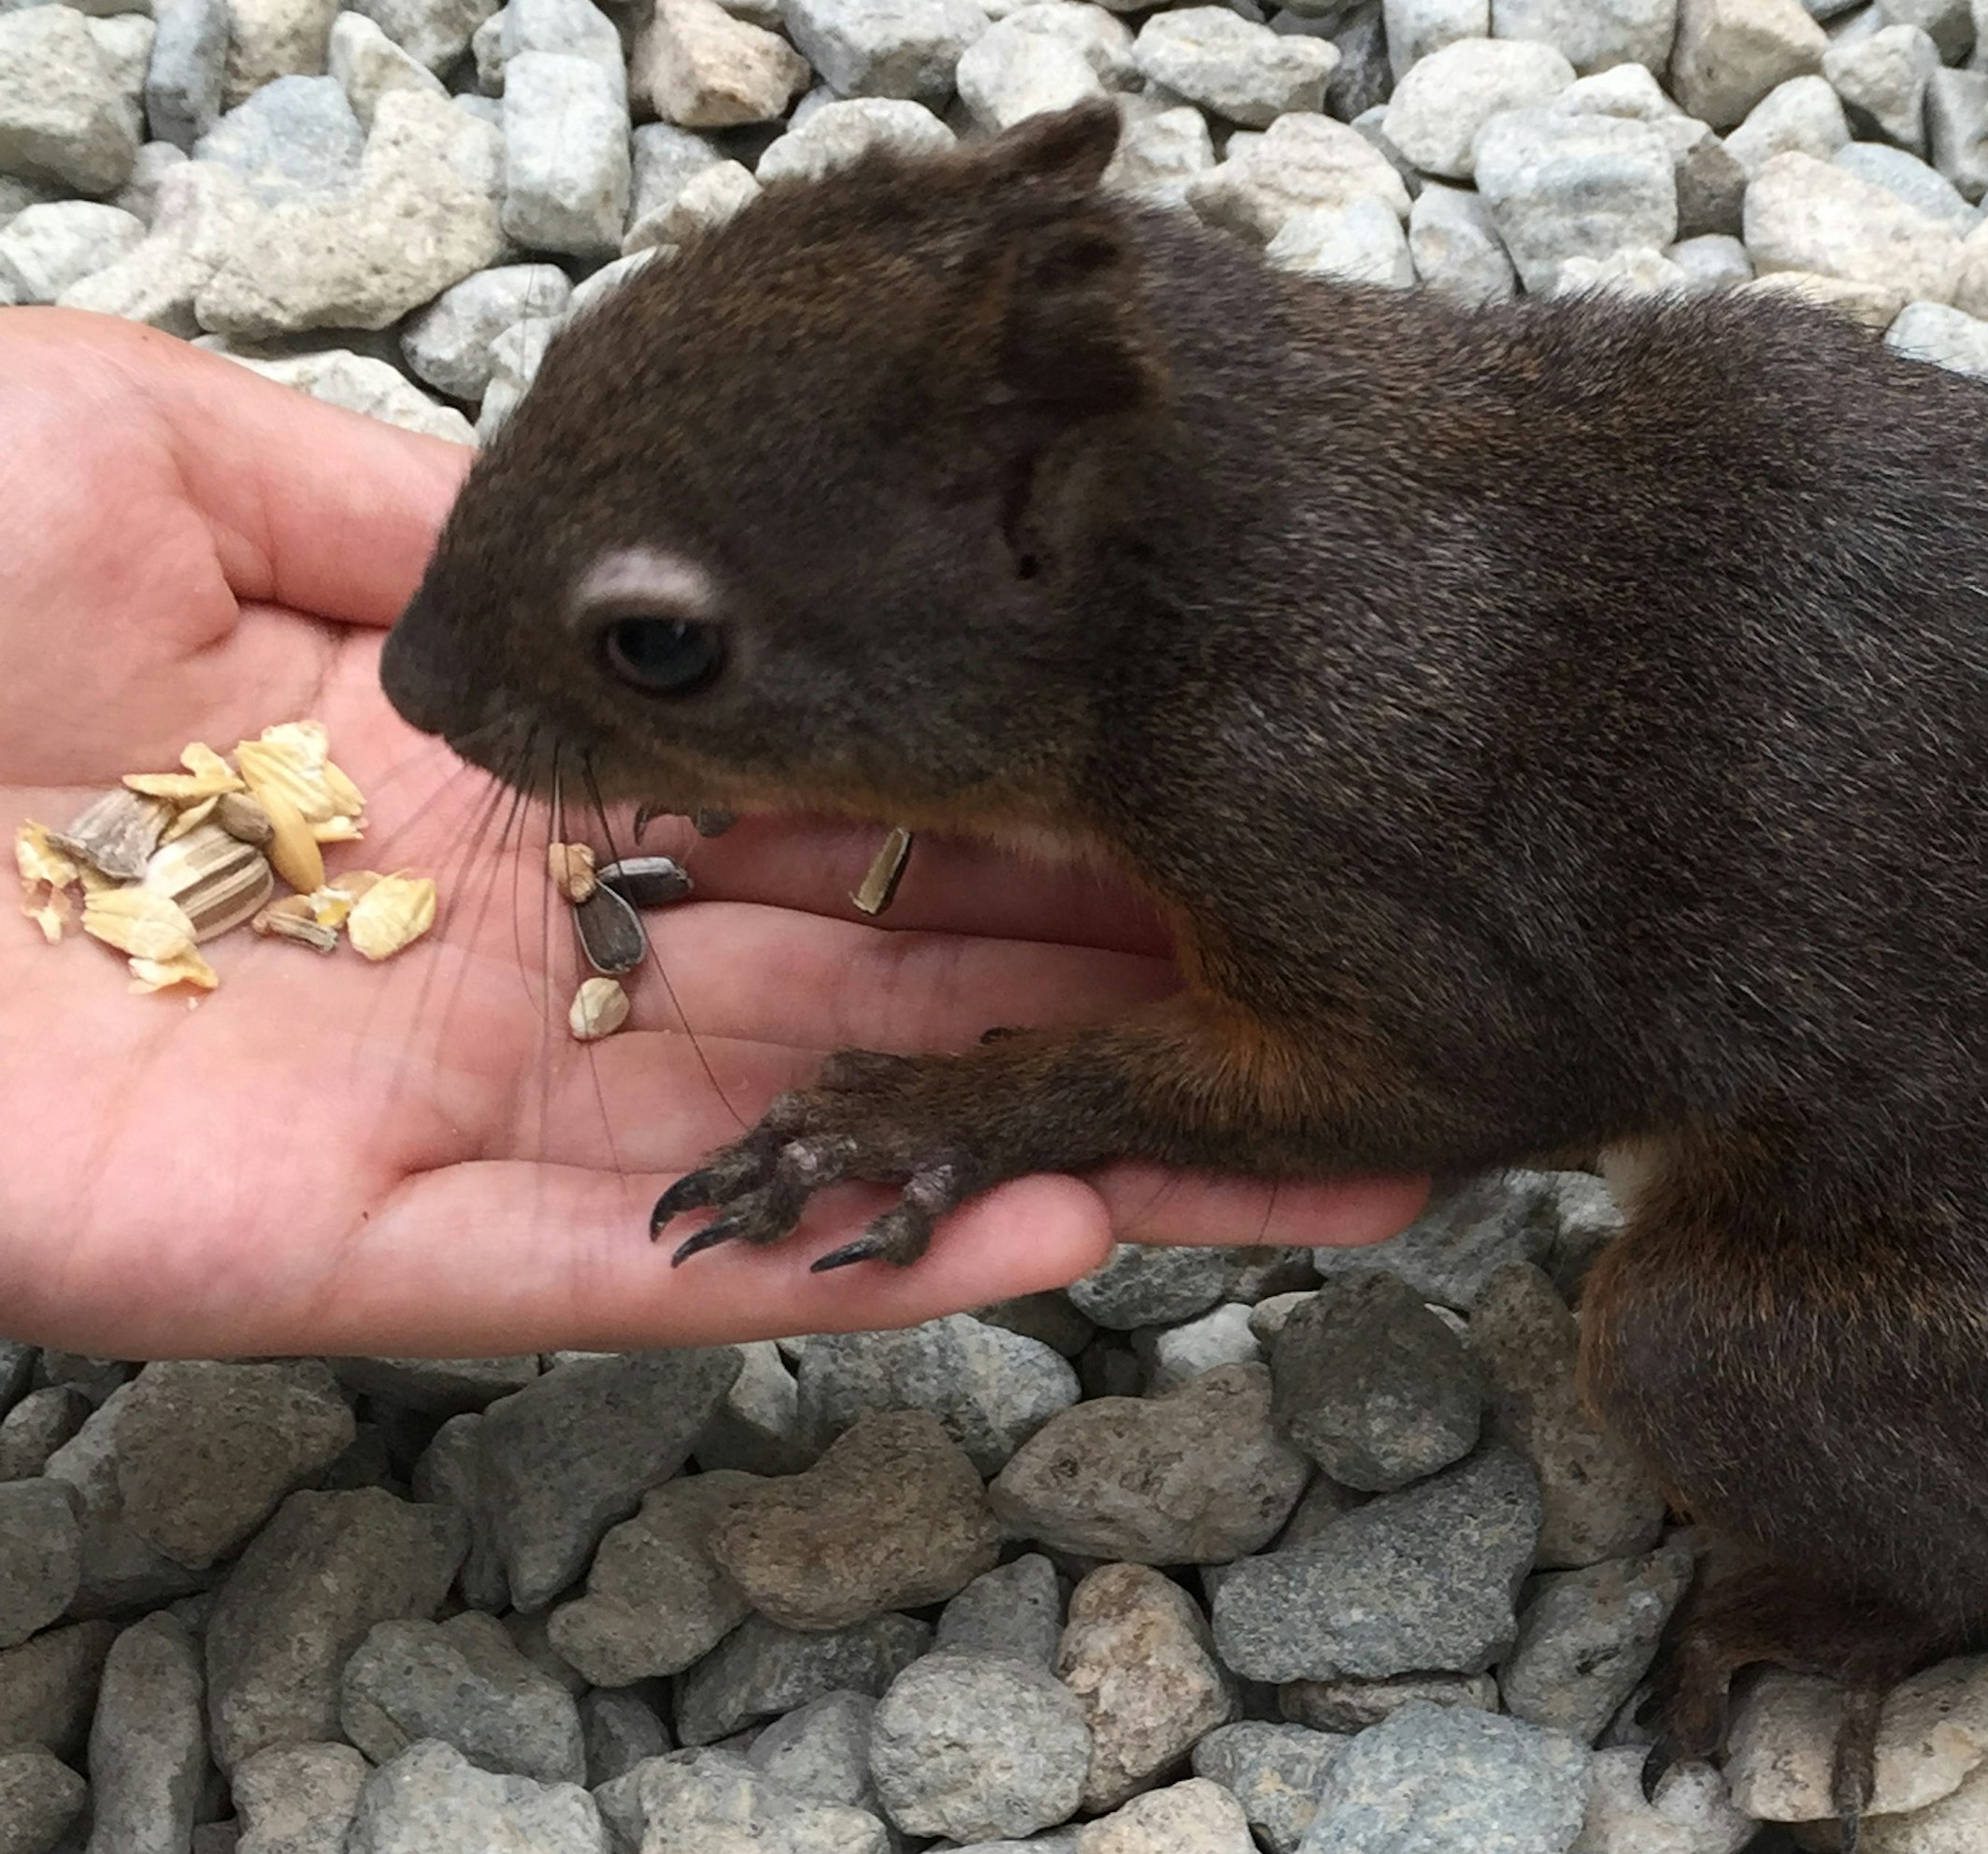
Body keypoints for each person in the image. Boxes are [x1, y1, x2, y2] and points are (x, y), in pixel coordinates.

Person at [0, 313, 1426, 1358]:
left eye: (663, 649)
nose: (411, 700)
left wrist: (990, 1107)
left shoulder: (1296, 788)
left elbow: (1420, 1072)